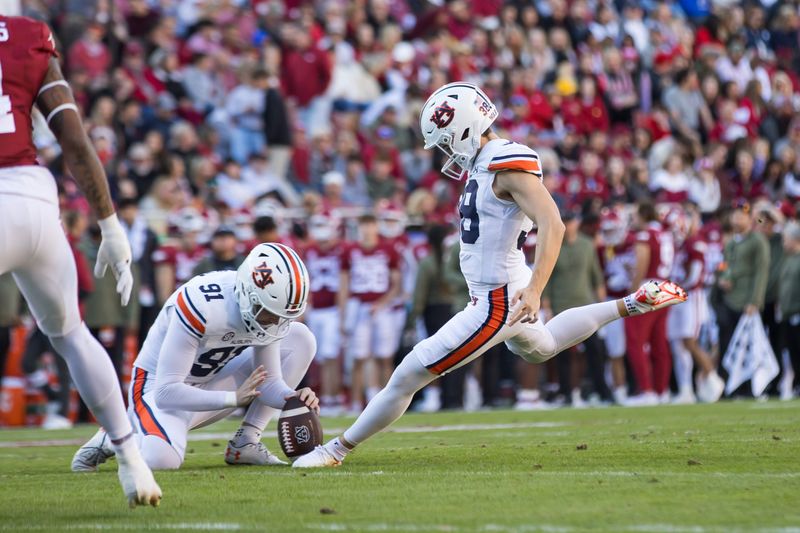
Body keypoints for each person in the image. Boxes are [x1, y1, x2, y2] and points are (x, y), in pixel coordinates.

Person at [292, 82, 687, 468]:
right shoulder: (484, 163)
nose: (446, 151)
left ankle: (336, 451)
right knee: (544, 345)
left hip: (497, 299)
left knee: (409, 372)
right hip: (501, 287)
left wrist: (535, 290)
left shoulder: (506, 163)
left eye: (447, 140)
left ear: (465, 127)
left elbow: (554, 224)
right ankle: (632, 303)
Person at [0, 15, 160, 506]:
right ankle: (131, 458)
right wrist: (110, 225)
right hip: (34, 199)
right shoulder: (27, 35)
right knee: (71, 334)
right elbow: (73, 138)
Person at [72, 244, 319, 471]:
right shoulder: (202, 304)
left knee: (301, 339)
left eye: (281, 316)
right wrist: (233, 398)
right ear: (248, 294)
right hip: (156, 389)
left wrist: (291, 398)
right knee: (163, 459)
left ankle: (246, 441)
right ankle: (117, 435)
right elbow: (167, 392)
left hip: (208, 380)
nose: (275, 323)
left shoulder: (265, 313)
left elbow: (268, 380)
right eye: (269, 313)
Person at [339, 214, 402, 413]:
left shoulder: (388, 250)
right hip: (359, 307)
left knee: (385, 356)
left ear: (376, 226)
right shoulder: (350, 251)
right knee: (359, 357)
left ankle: (388, 404)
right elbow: (344, 284)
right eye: (363, 225)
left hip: (382, 309)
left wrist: (382, 303)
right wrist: (343, 314)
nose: (367, 229)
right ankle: (357, 403)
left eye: (370, 225)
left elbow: (396, 284)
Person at [666, 205, 724, 404]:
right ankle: (686, 389)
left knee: (689, 342)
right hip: (678, 297)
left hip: (692, 297)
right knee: (677, 345)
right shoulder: (681, 244)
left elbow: (695, 276)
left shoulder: (696, 242)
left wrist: (675, 288)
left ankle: (713, 379)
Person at [624, 201, 676, 406]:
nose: (633, 219)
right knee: (659, 342)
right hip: (666, 287)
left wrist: (634, 288)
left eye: (636, 215)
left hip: (649, 287)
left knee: (636, 340)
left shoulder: (645, 235)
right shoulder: (665, 234)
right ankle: (662, 390)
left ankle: (646, 390)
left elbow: (643, 261)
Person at [303, 215, 344, 414]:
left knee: (330, 356)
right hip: (315, 308)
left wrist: (343, 311)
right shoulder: (309, 250)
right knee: (316, 357)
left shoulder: (341, 250)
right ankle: (324, 397)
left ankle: (332, 398)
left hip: (332, 309)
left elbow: (346, 280)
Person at [777, 222, 800, 400]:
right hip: (788, 313)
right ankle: (796, 384)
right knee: (792, 350)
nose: (784, 243)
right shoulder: (788, 259)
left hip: (797, 311)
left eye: (786, 239)